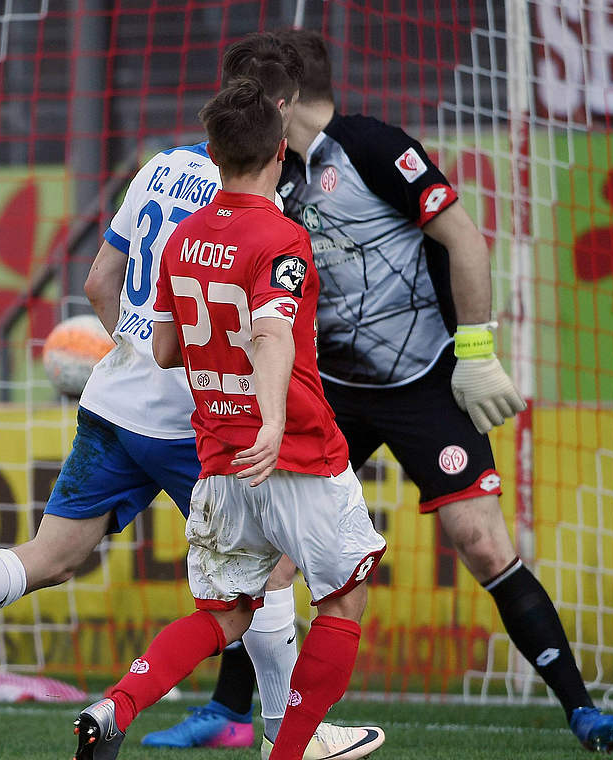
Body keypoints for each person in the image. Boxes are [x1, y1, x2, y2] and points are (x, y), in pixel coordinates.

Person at [0, 36, 382, 760]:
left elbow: (101, 282)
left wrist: (136, 348)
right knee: (267, 573)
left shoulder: (157, 169)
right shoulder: (271, 200)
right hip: (200, 422)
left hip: (111, 399)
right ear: (279, 116)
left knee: (50, 555)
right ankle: (289, 736)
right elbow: (268, 332)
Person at [211, 28, 613, 752]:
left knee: (482, 542)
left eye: (248, 97)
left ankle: (581, 708)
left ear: (283, 98)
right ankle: (228, 714)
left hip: (423, 379)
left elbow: (463, 238)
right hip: (332, 387)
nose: (236, 112)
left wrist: (476, 349)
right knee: (272, 554)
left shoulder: (372, 147)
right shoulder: (268, 173)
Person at [73, 76, 386, 760]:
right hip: (295, 450)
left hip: (216, 455)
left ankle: (115, 703)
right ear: (281, 150)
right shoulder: (282, 238)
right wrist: (272, 421)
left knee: (226, 614)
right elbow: (274, 333)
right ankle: (291, 750)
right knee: (343, 596)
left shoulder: (182, 241)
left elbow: (160, 349)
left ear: (211, 155)